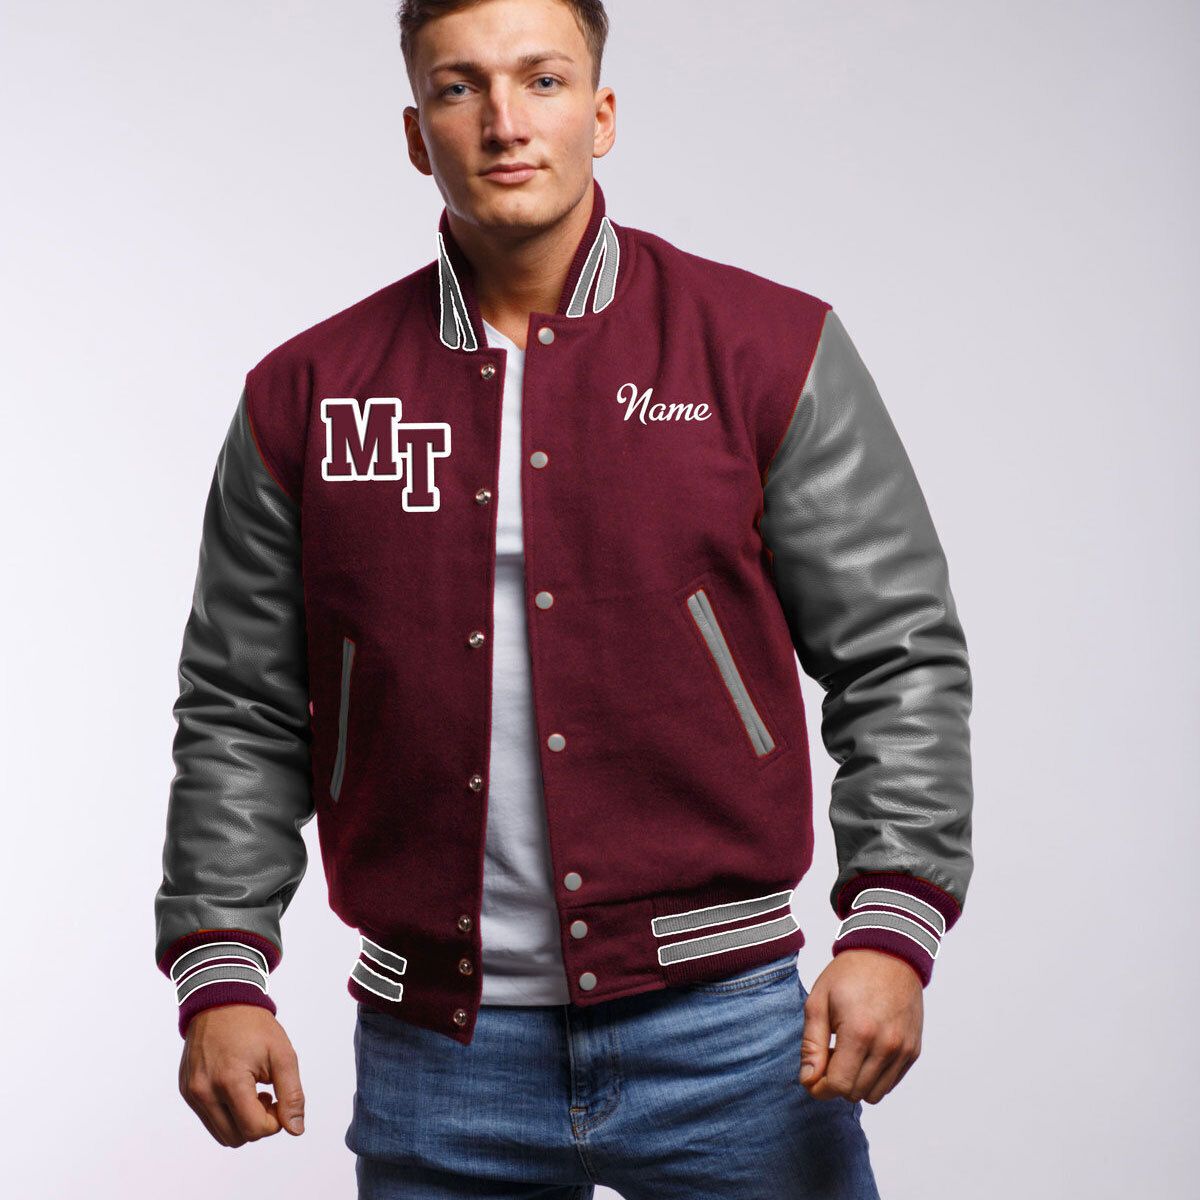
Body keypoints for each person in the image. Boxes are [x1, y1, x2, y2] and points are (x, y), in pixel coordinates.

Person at [153, 1, 974, 1195]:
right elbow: (241, 705)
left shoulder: (765, 349)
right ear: (415, 132)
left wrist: (894, 924)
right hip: (437, 1051)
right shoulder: (307, 394)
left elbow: (897, 658)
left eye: (541, 80)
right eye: (459, 87)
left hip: (730, 1032)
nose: (503, 121)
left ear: (602, 113)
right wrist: (220, 971)